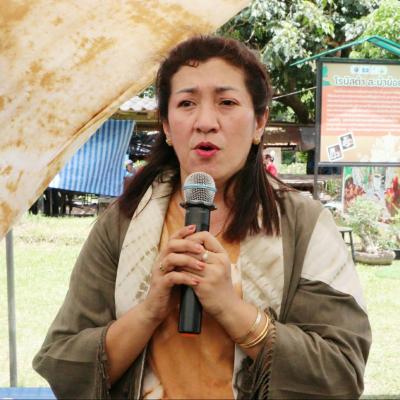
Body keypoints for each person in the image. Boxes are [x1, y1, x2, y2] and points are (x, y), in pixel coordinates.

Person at [33, 36, 371, 399]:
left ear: (259, 123)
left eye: (226, 102)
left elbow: (340, 372)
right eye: (186, 103)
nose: (205, 122)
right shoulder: (123, 222)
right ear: (166, 126)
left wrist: (232, 309)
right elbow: (64, 366)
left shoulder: (303, 225)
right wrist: (149, 311)